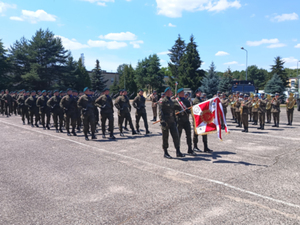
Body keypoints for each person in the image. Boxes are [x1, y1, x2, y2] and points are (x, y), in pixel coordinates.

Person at [159, 87, 184, 158]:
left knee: (176, 136)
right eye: (170, 91)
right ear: (166, 92)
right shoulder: (162, 101)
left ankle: (178, 151)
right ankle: (165, 152)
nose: (171, 93)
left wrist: (175, 120)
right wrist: (162, 121)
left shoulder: (171, 101)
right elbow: (160, 112)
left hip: (172, 121)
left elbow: (173, 110)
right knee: (165, 137)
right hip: (166, 122)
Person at [174, 88, 195, 155]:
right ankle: (178, 150)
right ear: (178, 94)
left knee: (188, 135)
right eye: (182, 93)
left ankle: (190, 149)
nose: (183, 94)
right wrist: (177, 112)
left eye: (183, 93)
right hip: (179, 120)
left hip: (186, 120)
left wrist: (188, 111)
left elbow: (189, 109)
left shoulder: (186, 101)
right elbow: (173, 110)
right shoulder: (175, 101)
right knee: (178, 136)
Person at [192, 88, 212, 153]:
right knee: (196, 134)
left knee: (204, 133)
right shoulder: (195, 101)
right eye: (198, 92)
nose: (200, 93)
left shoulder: (200, 100)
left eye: (200, 92)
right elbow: (200, 107)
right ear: (196, 93)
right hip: (197, 120)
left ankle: (205, 147)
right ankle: (195, 147)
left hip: (202, 120)